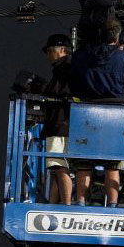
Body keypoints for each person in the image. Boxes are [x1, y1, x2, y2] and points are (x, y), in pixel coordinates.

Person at [70, 19, 124, 207]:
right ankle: (113, 203)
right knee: (112, 163)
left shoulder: (82, 56)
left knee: (84, 161)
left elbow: (73, 80)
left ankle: (80, 199)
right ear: (117, 36)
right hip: (114, 115)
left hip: (85, 112)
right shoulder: (123, 58)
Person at [40, 34, 73, 205]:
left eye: (50, 51)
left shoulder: (66, 67)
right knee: (55, 168)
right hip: (59, 124)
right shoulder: (65, 66)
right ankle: (53, 205)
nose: (48, 55)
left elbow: (61, 90)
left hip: (60, 125)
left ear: (61, 50)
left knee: (60, 167)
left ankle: (67, 206)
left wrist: (41, 87)